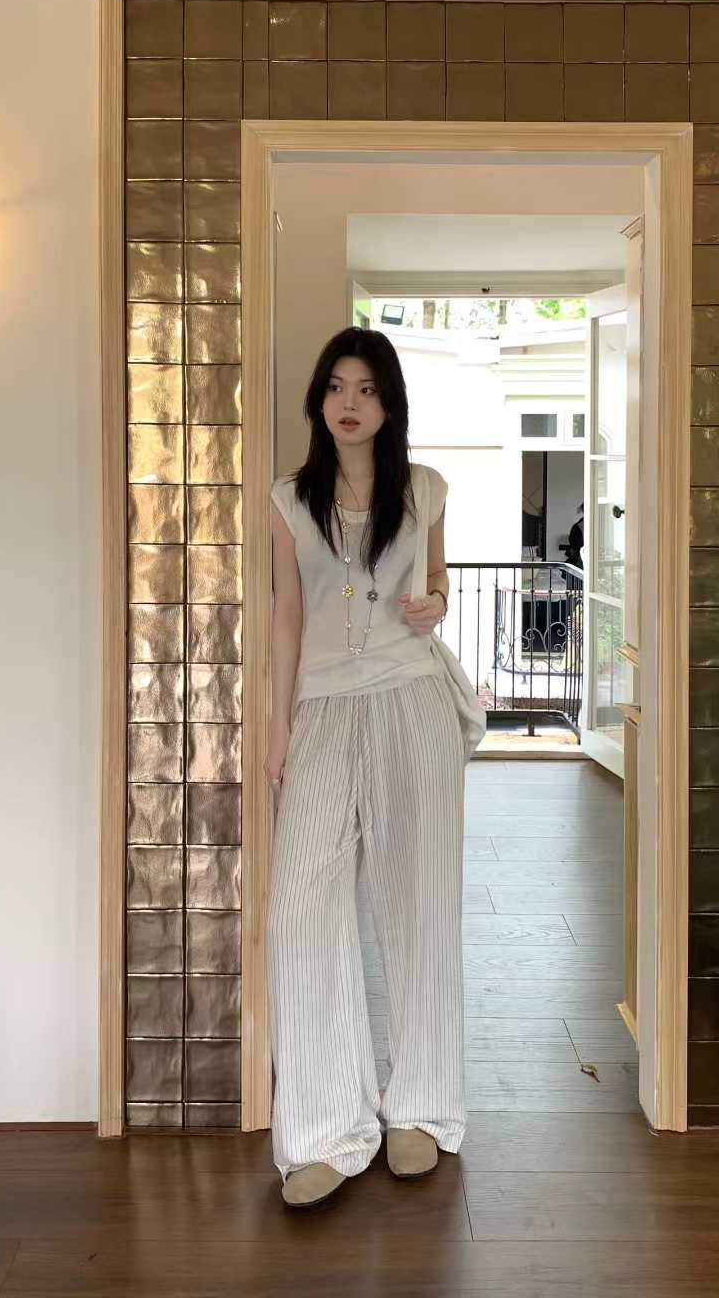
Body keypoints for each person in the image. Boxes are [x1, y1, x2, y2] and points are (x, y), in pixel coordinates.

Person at [266, 326, 467, 1208]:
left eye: (367, 389)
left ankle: (419, 1106)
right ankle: (324, 1129)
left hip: (410, 701)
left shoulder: (424, 489)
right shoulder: (288, 500)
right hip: (320, 708)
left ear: (389, 405)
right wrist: (277, 726)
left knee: (417, 900)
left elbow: (438, 584)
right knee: (301, 905)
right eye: (336, 387)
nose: (349, 403)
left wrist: (436, 602)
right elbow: (285, 615)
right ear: (319, 400)